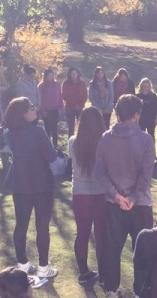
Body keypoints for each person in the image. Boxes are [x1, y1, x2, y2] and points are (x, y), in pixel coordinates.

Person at [94, 94, 156, 297]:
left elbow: (100, 172)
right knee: (144, 250)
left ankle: (111, 290)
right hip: (140, 204)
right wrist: (131, 198)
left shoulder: (105, 138)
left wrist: (117, 196)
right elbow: (146, 176)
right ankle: (142, 291)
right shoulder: (146, 139)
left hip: (115, 203)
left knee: (112, 249)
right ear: (137, 115)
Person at [3, 97, 60, 279]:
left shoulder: (8, 133)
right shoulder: (37, 131)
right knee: (42, 226)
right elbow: (51, 156)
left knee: (21, 224)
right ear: (23, 113)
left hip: (20, 184)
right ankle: (43, 266)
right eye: (31, 108)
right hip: (41, 184)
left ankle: (22, 262)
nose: (35, 110)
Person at [67, 107, 107, 285]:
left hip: (80, 193)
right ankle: (104, 273)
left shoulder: (73, 142)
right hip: (100, 193)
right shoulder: (105, 141)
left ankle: (83, 271)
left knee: (82, 233)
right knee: (101, 234)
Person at [38, 68, 63, 147]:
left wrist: (60, 107)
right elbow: (40, 99)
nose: (51, 77)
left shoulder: (57, 84)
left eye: (53, 75)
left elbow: (60, 97)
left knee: (54, 128)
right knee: (47, 128)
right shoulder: (41, 86)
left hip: (55, 109)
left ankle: (55, 144)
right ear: (45, 76)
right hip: (46, 110)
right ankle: (47, 145)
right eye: (50, 75)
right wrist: (43, 110)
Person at [62, 67, 88, 137]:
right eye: (72, 73)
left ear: (78, 74)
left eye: (75, 73)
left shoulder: (82, 83)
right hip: (69, 107)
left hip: (80, 107)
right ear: (69, 74)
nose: (74, 75)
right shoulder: (66, 83)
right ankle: (71, 143)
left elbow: (85, 95)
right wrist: (73, 104)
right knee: (71, 127)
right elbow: (64, 96)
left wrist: (80, 105)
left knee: (81, 126)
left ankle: (80, 142)